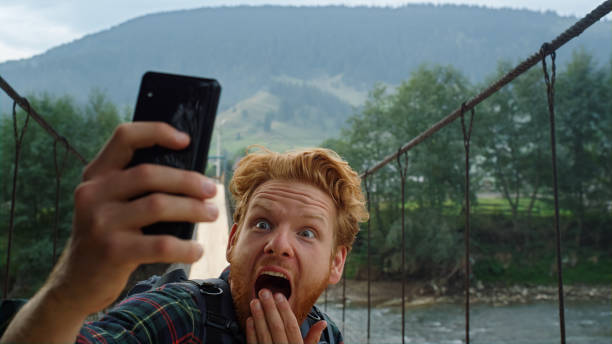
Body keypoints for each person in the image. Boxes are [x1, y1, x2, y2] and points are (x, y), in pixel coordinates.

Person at [0, 122, 368, 343]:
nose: (279, 245)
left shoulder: (324, 335)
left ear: (336, 263)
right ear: (231, 240)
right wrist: (67, 294)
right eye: (262, 224)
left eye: (306, 233)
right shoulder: (178, 316)